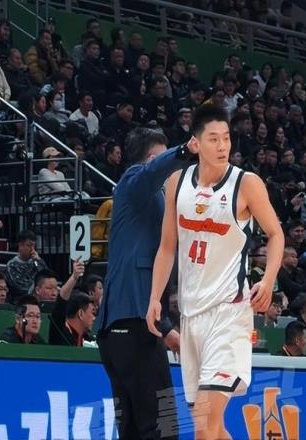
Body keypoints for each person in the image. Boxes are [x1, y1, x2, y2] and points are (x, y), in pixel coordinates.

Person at [146, 105, 284, 439]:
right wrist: (154, 297)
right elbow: (167, 247)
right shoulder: (176, 183)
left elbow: (276, 234)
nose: (223, 146)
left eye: (226, 138)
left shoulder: (246, 184)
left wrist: (268, 280)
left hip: (228, 313)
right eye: (213, 139)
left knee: (204, 423)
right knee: (212, 427)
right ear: (195, 143)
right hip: (191, 315)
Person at [96, 127, 196, 440]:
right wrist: (186, 150)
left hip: (124, 328)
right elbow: (153, 171)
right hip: (133, 324)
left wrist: (166, 328)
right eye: (165, 158)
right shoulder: (133, 181)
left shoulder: (155, 200)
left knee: (133, 430)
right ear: (153, 159)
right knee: (162, 428)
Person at [6, 229, 47, 301]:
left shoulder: (36, 262)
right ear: (20, 245)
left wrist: (39, 261)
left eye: (33, 246)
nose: (32, 249)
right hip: (20, 300)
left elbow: (46, 276)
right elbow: (17, 287)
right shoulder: (12, 265)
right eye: (29, 245)